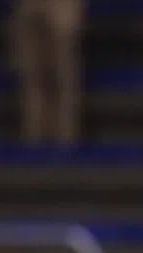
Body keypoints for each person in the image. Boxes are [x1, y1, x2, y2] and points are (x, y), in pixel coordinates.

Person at [8, 0, 85, 145]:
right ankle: (34, 140)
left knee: (60, 80)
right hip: (29, 9)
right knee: (33, 82)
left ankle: (64, 142)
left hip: (60, 9)